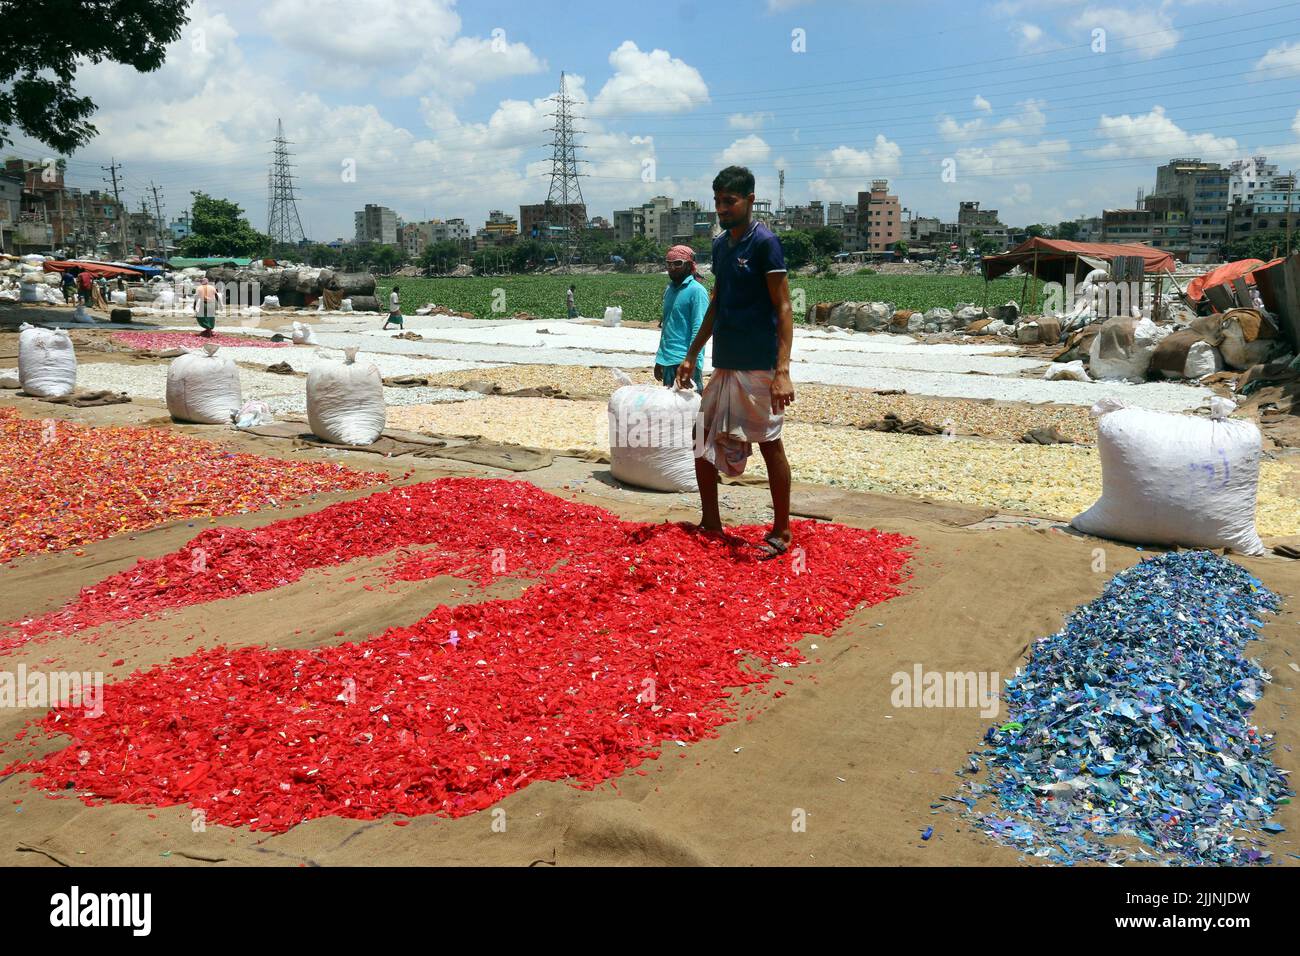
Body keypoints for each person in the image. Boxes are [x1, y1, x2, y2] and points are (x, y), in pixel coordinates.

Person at [676, 165, 795, 560]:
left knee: (768, 444)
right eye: (718, 202)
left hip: (759, 365)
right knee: (701, 438)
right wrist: (692, 354)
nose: (723, 209)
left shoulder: (765, 243)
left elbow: (783, 305)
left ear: (750, 201)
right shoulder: (722, 245)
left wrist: (782, 371)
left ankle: (781, 531)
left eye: (730, 201)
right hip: (726, 363)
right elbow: (717, 304)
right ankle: (711, 521)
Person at [655, 245, 707, 391]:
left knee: (694, 409)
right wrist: (660, 359)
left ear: (689, 265)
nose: (672, 267)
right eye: (669, 263)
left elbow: (699, 329)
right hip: (668, 360)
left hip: (686, 361)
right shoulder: (670, 290)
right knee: (671, 411)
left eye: (678, 263)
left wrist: (691, 361)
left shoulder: (696, 291)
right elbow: (667, 327)